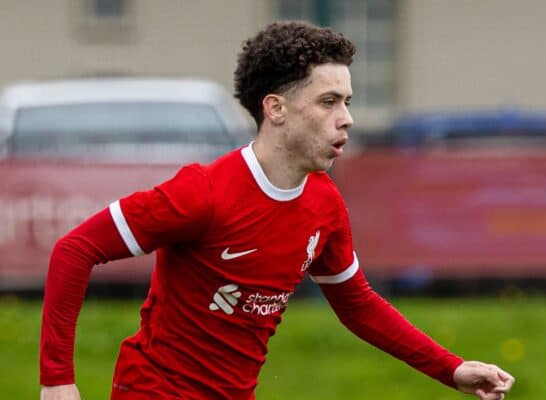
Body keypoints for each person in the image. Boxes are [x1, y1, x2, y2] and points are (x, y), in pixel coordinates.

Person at [40, 21, 515, 400]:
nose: (346, 117)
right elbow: (75, 248)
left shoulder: (324, 204)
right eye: (328, 101)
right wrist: (57, 379)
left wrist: (451, 368)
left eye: (347, 101)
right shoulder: (203, 193)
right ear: (276, 109)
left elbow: (358, 305)